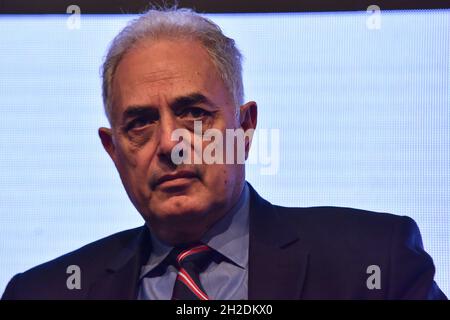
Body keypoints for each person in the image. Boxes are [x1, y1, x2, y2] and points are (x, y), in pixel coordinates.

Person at [2, 7, 446, 300]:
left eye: (194, 114)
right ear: (113, 149)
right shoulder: (43, 293)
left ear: (245, 128)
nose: (171, 144)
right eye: (140, 123)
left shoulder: (374, 264)